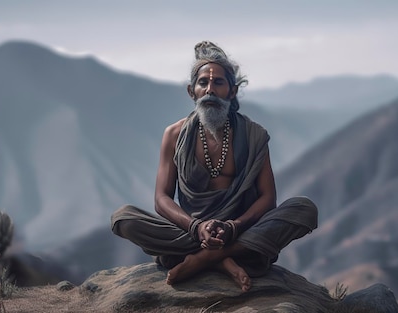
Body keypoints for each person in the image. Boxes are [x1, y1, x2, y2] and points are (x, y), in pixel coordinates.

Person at [111, 41, 318, 292]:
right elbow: (161, 198)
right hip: (191, 230)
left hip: (240, 231)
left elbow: (268, 198)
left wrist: (233, 227)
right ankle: (224, 260)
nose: (210, 90)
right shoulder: (174, 135)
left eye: (218, 83)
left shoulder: (254, 135)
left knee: (303, 209)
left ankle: (206, 258)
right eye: (203, 83)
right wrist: (196, 227)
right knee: (124, 218)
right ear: (192, 91)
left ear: (232, 91)